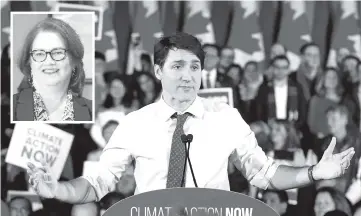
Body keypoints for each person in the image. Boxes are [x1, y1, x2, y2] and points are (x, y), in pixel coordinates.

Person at [27, 32, 355, 205]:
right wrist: (59, 190)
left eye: (195, 66)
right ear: (157, 71)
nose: (187, 76)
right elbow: (98, 183)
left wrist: (313, 172)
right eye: (177, 66)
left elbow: (265, 174)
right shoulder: (135, 123)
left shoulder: (225, 118)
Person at [13, 17, 92, 121]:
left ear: (73, 61)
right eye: (39, 54)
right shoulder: (10, 108)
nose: (49, 62)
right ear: (29, 63)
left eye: (58, 52)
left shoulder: (91, 111)